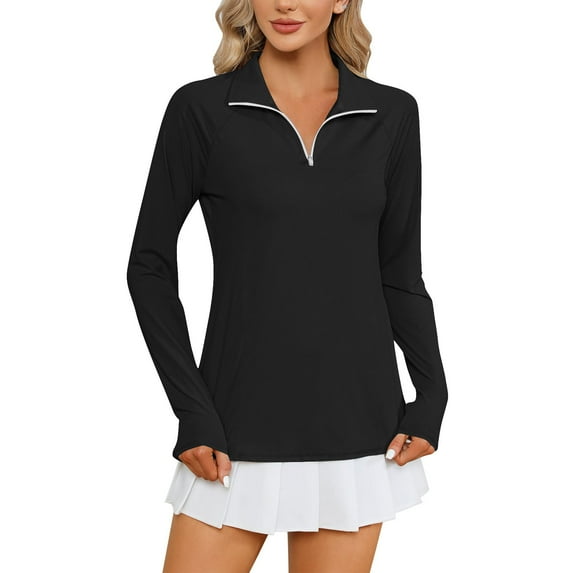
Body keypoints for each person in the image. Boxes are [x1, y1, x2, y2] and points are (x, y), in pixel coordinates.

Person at [126, 0, 448, 571]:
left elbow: (399, 273)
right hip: (233, 425)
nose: (285, 3)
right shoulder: (203, 110)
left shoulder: (391, 113)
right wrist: (192, 409)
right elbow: (148, 267)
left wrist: (432, 395)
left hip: (359, 424)